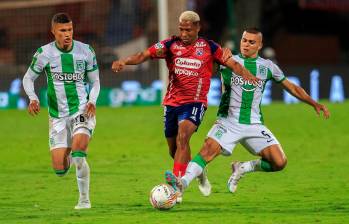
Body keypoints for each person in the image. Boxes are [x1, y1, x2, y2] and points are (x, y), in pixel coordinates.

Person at [165, 27, 330, 199]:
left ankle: (243, 168)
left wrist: (314, 103)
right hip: (228, 122)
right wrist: (216, 58)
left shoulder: (267, 67)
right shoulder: (228, 60)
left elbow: (292, 88)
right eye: (244, 40)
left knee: (279, 162)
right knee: (206, 152)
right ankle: (181, 183)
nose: (246, 44)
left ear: (260, 45)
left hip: (254, 124)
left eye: (251, 42)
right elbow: (203, 68)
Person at [111, 11, 258, 200]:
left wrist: (246, 74)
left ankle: (176, 190)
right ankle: (197, 172)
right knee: (174, 149)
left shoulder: (209, 47)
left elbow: (233, 64)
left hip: (195, 102)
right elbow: (144, 55)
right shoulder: (170, 45)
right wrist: (124, 61)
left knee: (183, 137)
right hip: (172, 103)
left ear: (198, 28)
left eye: (188, 29)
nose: (184, 33)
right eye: (181, 29)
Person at [22, 13, 100, 209]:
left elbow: (95, 81)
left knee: (79, 152)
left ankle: (84, 200)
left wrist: (92, 100)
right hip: (57, 116)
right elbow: (28, 78)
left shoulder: (86, 51)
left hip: (81, 109)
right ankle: (74, 155)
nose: (67, 34)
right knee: (60, 169)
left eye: (70, 30)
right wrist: (33, 97)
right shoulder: (44, 53)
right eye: (63, 31)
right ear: (53, 32)